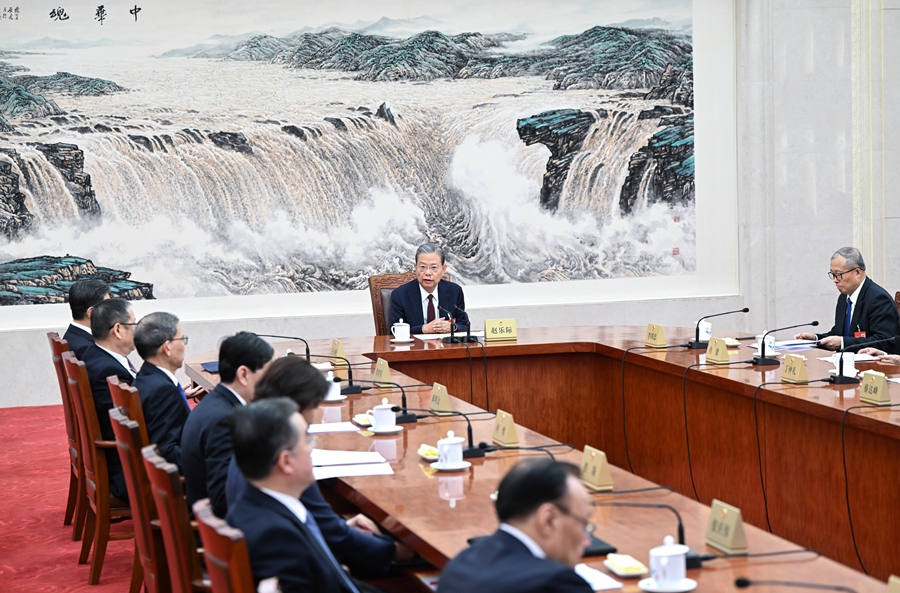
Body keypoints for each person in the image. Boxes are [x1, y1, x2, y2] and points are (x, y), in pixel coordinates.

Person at [224, 355, 412, 577]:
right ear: (299, 405)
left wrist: (343, 527)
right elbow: (331, 533)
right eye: (315, 406)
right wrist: (393, 550)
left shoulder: (252, 441)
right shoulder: (287, 471)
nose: (316, 414)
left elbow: (317, 525)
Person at [226, 398, 381, 593]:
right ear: (286, 461)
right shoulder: (276, 537)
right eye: (308, 441)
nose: (312, 449)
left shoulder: (258, 506)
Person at [437, 459, 594, 593]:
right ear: (548, 520)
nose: (587, 542)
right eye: (583, 524)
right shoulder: (557, 583)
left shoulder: (460, 563)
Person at [181, 331, 273, 517]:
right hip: (220, 526)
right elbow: (223, 498)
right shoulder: (225, 421)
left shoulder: (214, 402)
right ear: (244, 374)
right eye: (267, 374)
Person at [80, 297, 137, 502]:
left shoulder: (95, 355)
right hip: (127, 472)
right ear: (118, 330)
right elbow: (135, 423)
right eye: (134, 324)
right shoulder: (108, 371)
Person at [133, 312, 204, 471]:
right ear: (167, 347)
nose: (184, 345)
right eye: (182, 339)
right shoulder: (163, 391)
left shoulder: (145, 377)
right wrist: (209, 460)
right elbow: (166, 452)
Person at [794, 247, 900, 351]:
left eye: (839, 275)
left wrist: (843, 343)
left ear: (857, 272)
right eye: (833, 274)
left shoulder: (878, 299)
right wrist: (815, 339)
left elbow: (884, 340)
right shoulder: (844, 297)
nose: (835, 280)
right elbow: (839, 333)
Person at [389, 243, 469, 335]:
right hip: (415, 344)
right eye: (423, 267)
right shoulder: (400, 295)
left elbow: (464, 325)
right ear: (415, 268)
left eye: (433, 267)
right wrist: (423, 329)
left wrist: (453, 327)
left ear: (443, 270)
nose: (427, 273)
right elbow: (394, 332)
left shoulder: (455, 291)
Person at [63, 279, 109, 358]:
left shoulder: (73, 336)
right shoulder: (87, 349)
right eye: (108, 307)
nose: (112, 312)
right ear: (91, 312)